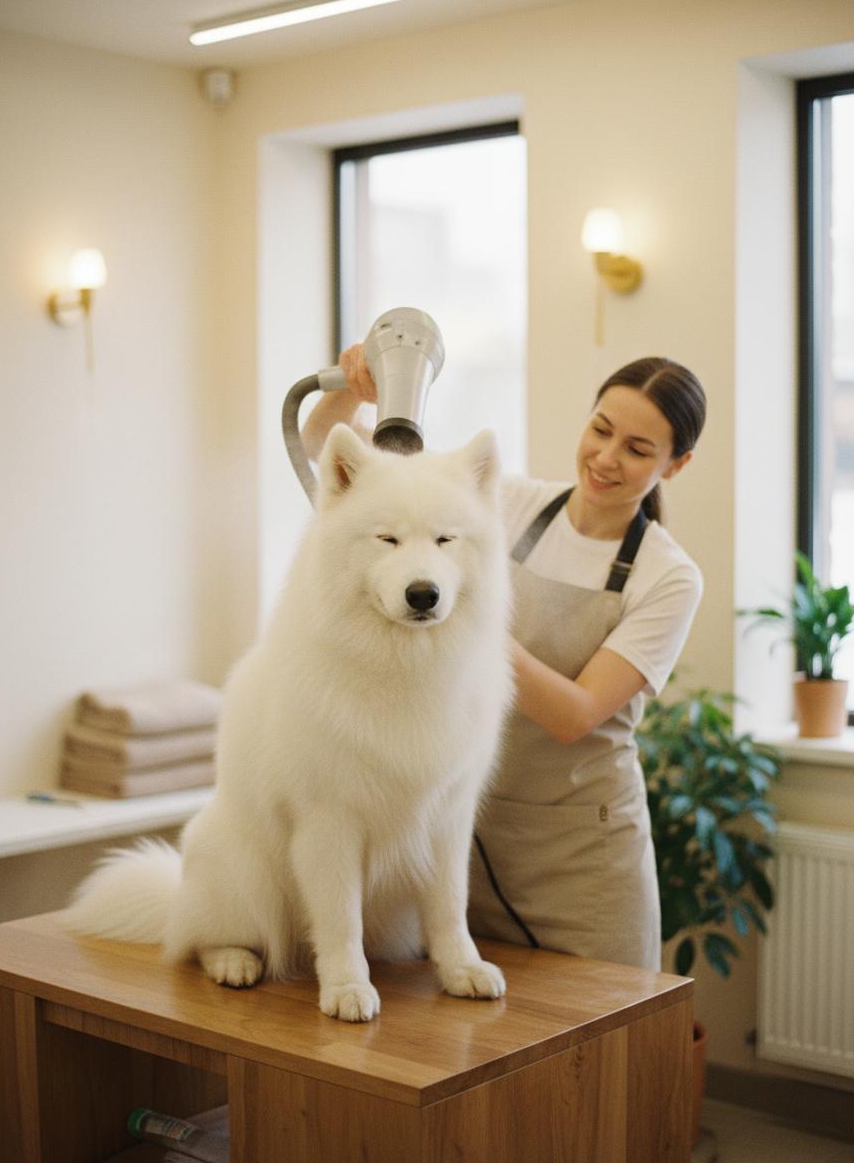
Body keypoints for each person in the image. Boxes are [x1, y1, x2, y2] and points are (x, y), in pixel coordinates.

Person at [302, 349, 706, 971]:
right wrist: (354, 387)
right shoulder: (504, 503)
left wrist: (470, 624)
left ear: (675, 465)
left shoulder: (668, 576)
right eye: (600, 429)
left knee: (600, 1056)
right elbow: (326, 447)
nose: (605, 458)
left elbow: (576, 714)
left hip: (582, 860)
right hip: (473, 847)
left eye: (636, 448)